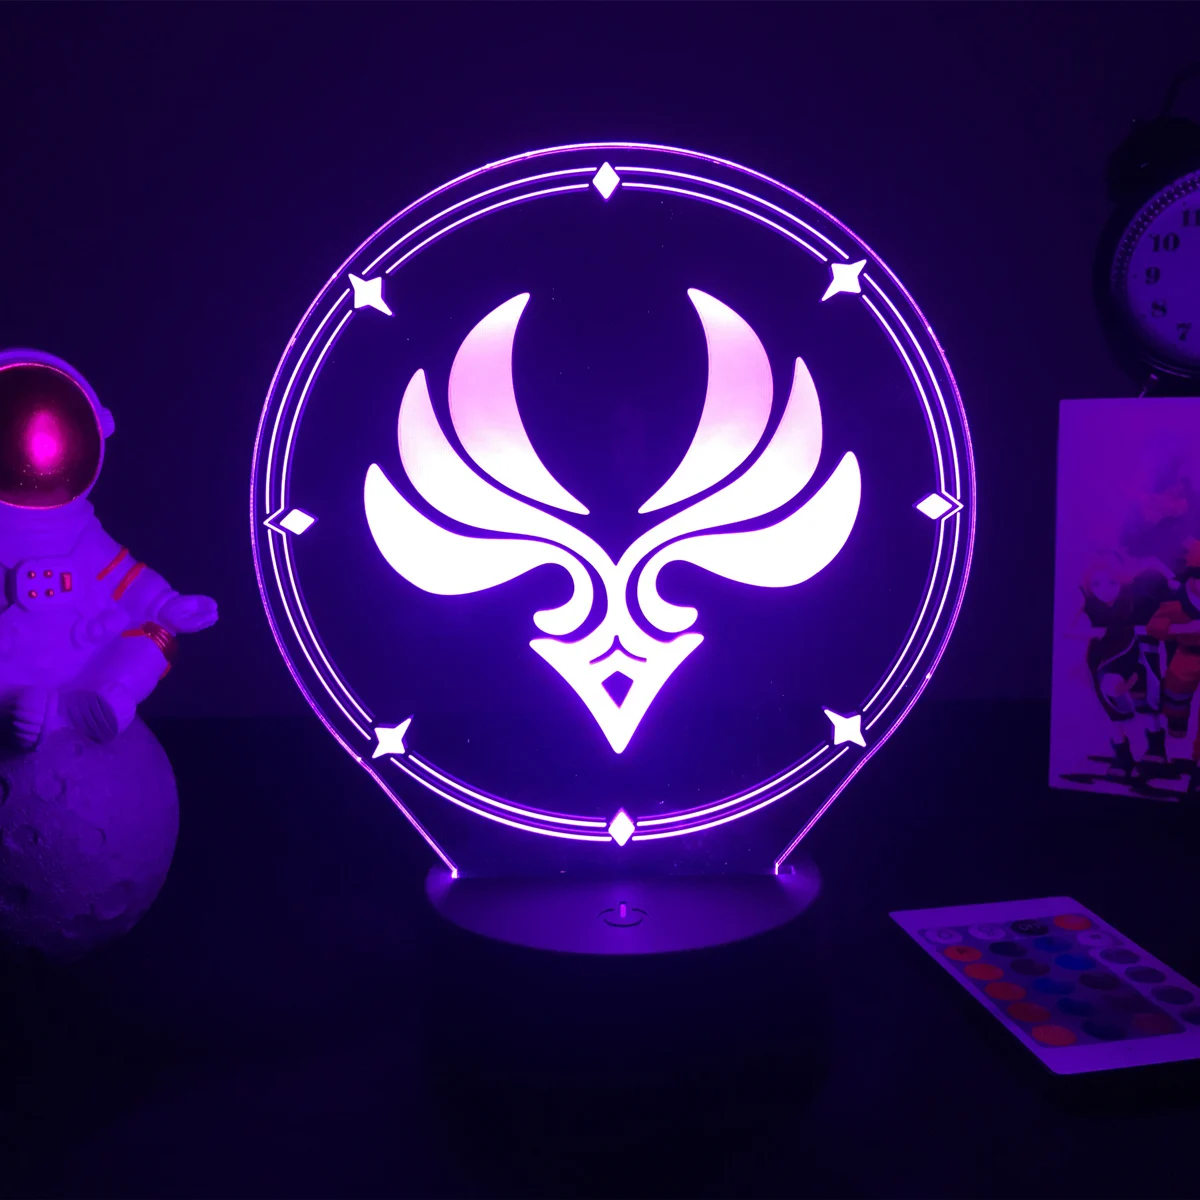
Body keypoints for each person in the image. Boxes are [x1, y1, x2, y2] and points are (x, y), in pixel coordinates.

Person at [0, 350, 217, 747]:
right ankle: (20, 714)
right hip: (12, 661)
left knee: (157, 635)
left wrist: (167, 603)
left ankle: (96, 700)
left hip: (83, 654)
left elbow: (125, 577)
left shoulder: (82, 530)